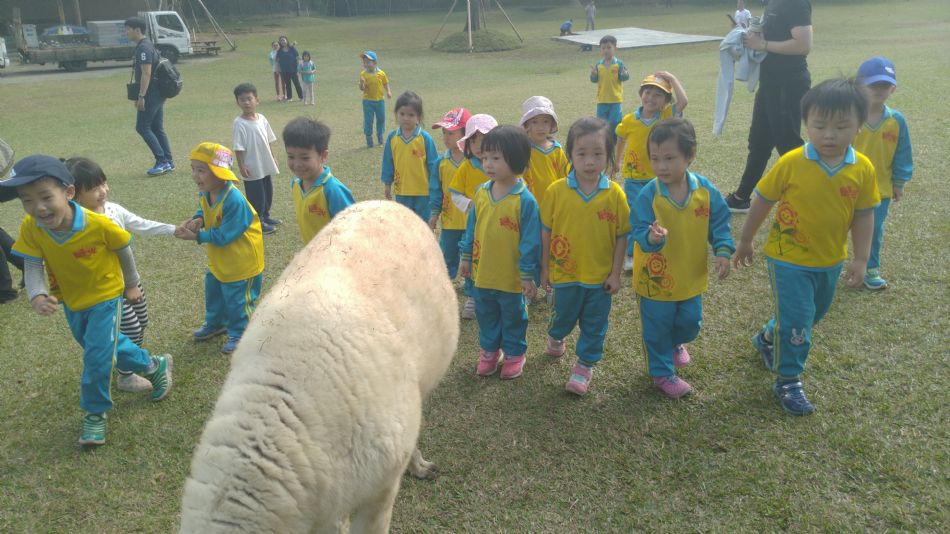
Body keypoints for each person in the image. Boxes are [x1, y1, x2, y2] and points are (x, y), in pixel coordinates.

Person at [0, 155, 172, 446]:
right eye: (27, 200)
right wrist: (36, 294)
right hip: (72, 301)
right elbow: (32, 264)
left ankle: (95, 413)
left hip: (106, 296)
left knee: (96, 358)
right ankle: (154, 365)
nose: (38, 207)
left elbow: (124, 250)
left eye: (45, 197)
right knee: (106, 345)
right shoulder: (32, 226)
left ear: (68, 192)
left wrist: (131, 285)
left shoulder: (97, 223)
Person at [733, 79, 879, 415]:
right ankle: (788, 380)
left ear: (859, 125)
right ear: (806, 124)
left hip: (829, 260)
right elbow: (762, 199)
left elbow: (864, 215)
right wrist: (745, 240)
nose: (829, 135)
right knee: (798, 323)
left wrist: (861, 258)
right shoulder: (792, 162)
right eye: (819, 125)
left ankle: (768, 337)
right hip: (788, 259)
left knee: (810, 316)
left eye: (841, 126)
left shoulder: (862, 169)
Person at [632, 119, 734, 398]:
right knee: (657, 329)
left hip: (690, 276)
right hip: (655, 281)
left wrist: (723, 249)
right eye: (655, 158)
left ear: (690, 155)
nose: (661, 166)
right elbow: (637, 229)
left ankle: (676, 342)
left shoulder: (704, 190)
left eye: (669, 158)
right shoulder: (649, 194)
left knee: (690, 322)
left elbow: (720, 221)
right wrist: (650, 237)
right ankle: (662, 374)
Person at [67, 156, 174, 393]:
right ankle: (126, 375)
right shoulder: (76, 224)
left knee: (142, 322)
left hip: (131, 282)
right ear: (74, 194)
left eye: (103, 183)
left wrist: (175, 230)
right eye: (94, 188)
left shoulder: (113, 210)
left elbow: (141, 224)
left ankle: (132, 364)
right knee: (130, 330)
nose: (103, 191)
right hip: (109, 290)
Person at [541, 117, 629, 395]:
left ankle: (584, 366)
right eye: (582, 154)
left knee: (595, 325)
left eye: (598, 154)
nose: (590, 161)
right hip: (564, 275)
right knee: (561, 320)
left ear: (609, 155)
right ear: (570, 155)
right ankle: (556, 337)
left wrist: (615, 273)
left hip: (600, 279)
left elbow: (622, 236)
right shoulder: (556, 191)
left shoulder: (615, 194)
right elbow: (546, 232)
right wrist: (544, 268)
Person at [459, 125, 540, 380]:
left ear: (516, 160)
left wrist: (527, 275)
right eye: (485, 157)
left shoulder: (525, 200)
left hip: (511, 278)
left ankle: (515, 354)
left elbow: (530, 242)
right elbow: (471, 228)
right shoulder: (481, 192)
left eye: (496, 158)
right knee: (486, 314)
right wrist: (465, 257)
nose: (488, 164)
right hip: (482, 273)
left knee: (513, 316)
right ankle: (490, 351)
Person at [174, 143, 265, 355]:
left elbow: (225, 236)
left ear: (219, 173)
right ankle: (216, 323)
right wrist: (198, 219)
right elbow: (204, 209)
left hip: (242, 263)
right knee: (213, 292)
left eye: (201, 170)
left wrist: (197, 236)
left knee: (238, 300)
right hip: (221, 260)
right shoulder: (206, 192)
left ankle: (241, 333)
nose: (195, 175)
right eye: (193, 169)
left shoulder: (234, 201)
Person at [724, 0, 813, 213]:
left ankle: (810, 198)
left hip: (787, 83)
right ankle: (741, 197)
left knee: (788, 144)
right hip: (770, 83)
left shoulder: (795, 3)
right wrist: (746, 33)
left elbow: (803, 45)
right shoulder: (774, 3)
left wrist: (762, 45)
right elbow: (775, 34)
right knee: (759, 142)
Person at [615, 73, 687, 272]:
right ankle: (631, 253)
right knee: (635, 213)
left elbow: (683, 102)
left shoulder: (665, 117)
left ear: (665, 102)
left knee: (658, 212)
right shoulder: (629, 120)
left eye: (658, 95)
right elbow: (620, 138)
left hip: (658, 178)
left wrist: (672, 79)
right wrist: (617, 160)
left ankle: (658, 243)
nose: (651, 98)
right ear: (641, 94)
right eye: (648, 92)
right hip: (633, 178)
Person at [853, 57, 913, 290]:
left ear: (893, 89)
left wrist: (899, 182)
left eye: (884, 85)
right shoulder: (850, 116)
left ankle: (870, 269)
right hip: (847, 186)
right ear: (859, 86)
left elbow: (903, 153)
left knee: (873, 230)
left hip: (880, 190)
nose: (879, 90)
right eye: (873, 85)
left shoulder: (896, 120)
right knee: (836, 226)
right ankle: (830, 264)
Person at [448, 113, 498, 319]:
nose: (479, 146)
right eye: (474, 140)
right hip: (474, 225)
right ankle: (471, 296)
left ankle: (496, 294)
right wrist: (469, 204)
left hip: (498, 224)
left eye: (484, 140)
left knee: (496, 257)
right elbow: (454, 193)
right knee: (472, 257)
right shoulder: (466, 167)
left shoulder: (501, 164)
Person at [283, 117, 355, 245]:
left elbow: (352, 228)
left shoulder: (333, 190)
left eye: (305, 158)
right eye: (291, 157)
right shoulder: (296, 184)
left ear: (323, 156)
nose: (297, 164)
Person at [125, 16, 174, 177]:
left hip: (151, 94)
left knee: (142, 127)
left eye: (128, 29)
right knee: (157, 128)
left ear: (137, 30)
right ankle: (168, 161)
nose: (126, 33)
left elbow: (146, 74)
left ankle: (162, 161)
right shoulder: (147, 44)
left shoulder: (144, 48)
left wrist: (141, 97)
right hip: (157, 93)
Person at [380, 91, 440, 220]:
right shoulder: (392, 138)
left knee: (423, 224)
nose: (406, 118)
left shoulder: (425, 138)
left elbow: (434, 166)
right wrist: (387, 184)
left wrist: (436, 188)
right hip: (402, 191)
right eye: (402, 114)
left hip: (423, 192)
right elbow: (388, 162)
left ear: (418, 117)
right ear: (396, 113)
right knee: (405, 224)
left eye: (411, 115)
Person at [232, 83, 281, 235]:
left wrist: (273, 156)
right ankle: (257, 221)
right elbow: (238, 148)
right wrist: (242, 166)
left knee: (267, 191)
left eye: (249, 99)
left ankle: (266, 216)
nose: (246, 102)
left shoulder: (262, 119)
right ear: (237, 102)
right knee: (256, 195)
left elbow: (268, 140)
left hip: (264, 163)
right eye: (242, 100)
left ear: (257, 100)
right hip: (251, 165)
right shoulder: (239, 123)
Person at [429, 107, 472, 282]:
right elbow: (436, 190)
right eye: (444, 133)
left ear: (466, 134)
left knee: (472, 256)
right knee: (447, 255)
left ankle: (470, 288)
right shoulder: (441, 162)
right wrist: (434, 213)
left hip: (471, 220)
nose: (446, 138)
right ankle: (444, 284)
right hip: (449, 221)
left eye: (451, 133)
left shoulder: (475, 162)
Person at [520, 96, 569, 210]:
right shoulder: (523, 149)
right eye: (534, 122)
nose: (540, 127)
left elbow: (565, 175)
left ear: (552, 124)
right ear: (527, 125)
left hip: (554, 202)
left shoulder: (557, 149)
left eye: (545, 121)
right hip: (531, 203)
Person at [590, 35, 630, 141]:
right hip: (602, 99)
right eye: (603, 48)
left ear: (615, 48)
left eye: (609, 47)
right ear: (600, 50)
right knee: (601, 122)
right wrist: (593, 74)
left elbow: (624, 77)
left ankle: (614, 139)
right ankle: (603, 139)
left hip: (615, 99)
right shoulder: (598, 65)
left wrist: (624, 74)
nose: (606, 50)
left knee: (614, 121)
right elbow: (594, 79)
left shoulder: (619, 64)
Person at [359, 50, 392, 148]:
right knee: (368, 120)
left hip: (380, 101)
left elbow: (385, 83)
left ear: (375, 62)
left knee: (381, 118)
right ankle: (369, 137)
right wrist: (362, 83)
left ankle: (380, 136)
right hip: (368, 101)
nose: (366, 64)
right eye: (364, 62)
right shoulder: (363, 74)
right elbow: (362, 89)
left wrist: (388, 91)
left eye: (368, 62)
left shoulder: (381, 73)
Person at [276, 36, 303, 103]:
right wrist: (277, 69)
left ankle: (301, 97)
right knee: (288, 85)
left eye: (284, 40)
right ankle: (289, 98)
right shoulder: (279, 51)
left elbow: (297, 58)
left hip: (294, 70)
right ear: (280, 42)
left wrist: (299, 68)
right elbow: (277, 61)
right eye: (281, 41)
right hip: (284, 71)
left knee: (297, 84)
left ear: (287, 41)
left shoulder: (292, 48)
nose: (283, 41)